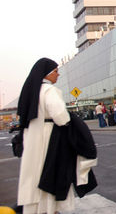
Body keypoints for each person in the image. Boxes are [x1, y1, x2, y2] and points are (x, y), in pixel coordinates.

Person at [16, 58, 74, 213]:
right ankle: (50, 209)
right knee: (50, 173)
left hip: (33, 138)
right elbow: (61, 116)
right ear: (47, 74)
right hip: (49, 138)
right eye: (55, 71)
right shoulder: (49, 91)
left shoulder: (33, 91)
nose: (58, 74)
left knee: (35, 175)